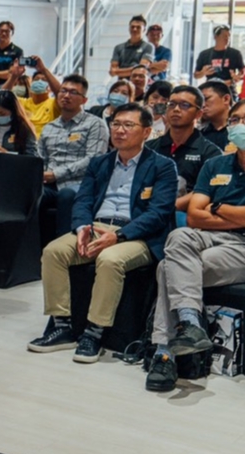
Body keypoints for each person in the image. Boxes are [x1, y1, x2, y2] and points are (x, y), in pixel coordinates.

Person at [145, 99, 245, 392]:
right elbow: (193, 216)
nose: (240, 125)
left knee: (167, 268)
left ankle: (163, 354)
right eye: (235, 119)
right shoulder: (214, 165)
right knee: (179, 235)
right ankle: (190, 323)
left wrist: (217, 207)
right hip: (209, 239)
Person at [31, 104, 177, 361]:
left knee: (110, 260)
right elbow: (83, 200)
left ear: (146, 132)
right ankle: (62, 326)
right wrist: (82, 227)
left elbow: (159, 213)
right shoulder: (100, 163)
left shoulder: (162, 166)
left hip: (137, 235)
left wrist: (118, 236)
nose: (119, 130)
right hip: (96, 227)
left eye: (128, 125)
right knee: (53, 252)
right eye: (116, 124)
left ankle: (94, 332)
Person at [38, 73, 110, 237]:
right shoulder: (49, 127)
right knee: (30, 194)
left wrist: (56, 174)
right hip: (49, 183)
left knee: (67, 194)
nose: (66, 96)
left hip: (79, 182)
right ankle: (30, 245)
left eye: (73, 92)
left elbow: (93, 159)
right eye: (63, 91)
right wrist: (41, 174)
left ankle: (64, 244)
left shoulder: (95, 124)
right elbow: (41, 157)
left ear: (84, 100)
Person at [147, 84, 222, 213]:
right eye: (171, 104)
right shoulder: (149, 147)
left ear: (198, 114)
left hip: (184, 214)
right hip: (147, 210)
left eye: (185, 105)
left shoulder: (211, 153)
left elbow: (206, 189)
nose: (176, 109)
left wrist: (168, 207)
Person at [0, 89, 38, 156]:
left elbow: (31, 157)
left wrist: (5, 153)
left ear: (14, 111)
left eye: (2, 114)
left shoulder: (24, 129)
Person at [19, 57, 62, 136]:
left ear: (50, 87)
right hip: (26, 141)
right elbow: (2, 96)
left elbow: (60, 93)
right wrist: (13, 76)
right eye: (36, 79)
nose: (39, 81)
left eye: (44, 80)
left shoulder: (53, 103)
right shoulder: (23, 102)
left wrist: (43, 69)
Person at [108, 15, 154, 81]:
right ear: (129, 28)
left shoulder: (148, 47)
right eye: (132, 27)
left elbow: (141, 70)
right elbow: (112, 72)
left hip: (138, 84)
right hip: (122, 84)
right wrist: (134, 68)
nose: (134, 29)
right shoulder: (118, 48)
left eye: (138, 27)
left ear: (144, 29)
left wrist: (118, 71)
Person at [196, 80, 233, 150]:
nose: (202, 105)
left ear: (226, 99)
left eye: (206, 99)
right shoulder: (198, 134)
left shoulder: (242, 130)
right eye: (199, 102)